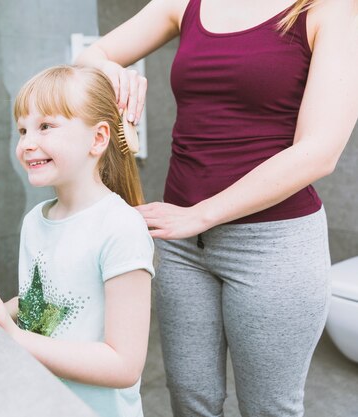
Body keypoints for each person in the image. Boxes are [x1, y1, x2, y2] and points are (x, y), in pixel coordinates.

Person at [75, 0, 358, 416]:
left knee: (269, 409)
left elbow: (320, 152)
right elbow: (89, 57)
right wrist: (108, 70)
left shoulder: (327, 10)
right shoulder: (185, 3)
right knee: (190, 399)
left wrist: (200, 214)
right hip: (183, 247)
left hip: (273, 246)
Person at [0, 65, 155, 417]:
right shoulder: (35, 221)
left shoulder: (121, 227)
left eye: (45, 126)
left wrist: (13, 336)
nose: (28, 143)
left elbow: (123, 365)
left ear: (98, 139)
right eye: (22, 130)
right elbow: (45, 306)